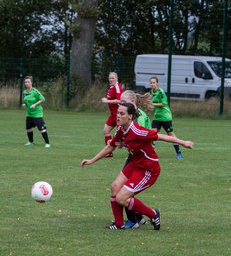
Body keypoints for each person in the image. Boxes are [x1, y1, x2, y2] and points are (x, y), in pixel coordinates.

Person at [81, 102, 193, 230]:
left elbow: (161, 136)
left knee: (121, 198)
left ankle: (153, 214)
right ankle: (119, 224)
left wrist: (183, 142)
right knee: (115, 187)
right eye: (118, 113)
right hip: (135, 163)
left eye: (122, 114)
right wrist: (91, 160)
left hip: (149, 168)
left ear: (130, 116)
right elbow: (110, 146)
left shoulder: (138, 131)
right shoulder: (121, 129)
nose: (118, 116)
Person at [114, 90, 152, 229]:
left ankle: (133, 220)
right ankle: (139, 217)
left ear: (132, 102)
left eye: (124, 101)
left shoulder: (138, 117)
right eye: (120, 101)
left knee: (124, 189)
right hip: (135, 155)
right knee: (124, 188)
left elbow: (141, 138)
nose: (121, 103)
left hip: (140, 157)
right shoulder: (131, 114)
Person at [149, 76, 182, 159]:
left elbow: (163, 104)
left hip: (165, 117)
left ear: (157, 83)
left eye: (154, 82)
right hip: (157, 117)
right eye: (151, 82)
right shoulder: (151, 92)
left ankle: (178, 152)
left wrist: (152, 104)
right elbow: (150, 102)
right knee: (153, 134)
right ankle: (151, 153)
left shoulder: (161, 92)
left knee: (171, 135)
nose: (152, 84)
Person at [22, 75, 50, 148]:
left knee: (42, 129)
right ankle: (31, 142)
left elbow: (42, 99)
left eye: (28, 82)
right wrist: (25, 104)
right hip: (29, 113)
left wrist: (35, 104)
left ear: (31, 83)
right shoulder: (24, 92)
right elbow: (26, 100)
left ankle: (47, 143)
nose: (26, 83)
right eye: (25, 82)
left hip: (37, 114)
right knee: (28, 128)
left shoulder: (35, 91)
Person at [101, 72, 123, 157]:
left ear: (116, 78)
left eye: (113, 78)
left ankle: (133, 152)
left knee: (122, 135)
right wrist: (108, 99)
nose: (111, 79)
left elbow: (119, 100)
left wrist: (107, 101)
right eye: (110, 78)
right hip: (112, 114)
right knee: (106, 131)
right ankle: (108, 152)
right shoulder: (111, 87)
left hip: (119, 114)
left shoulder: (117, 87)